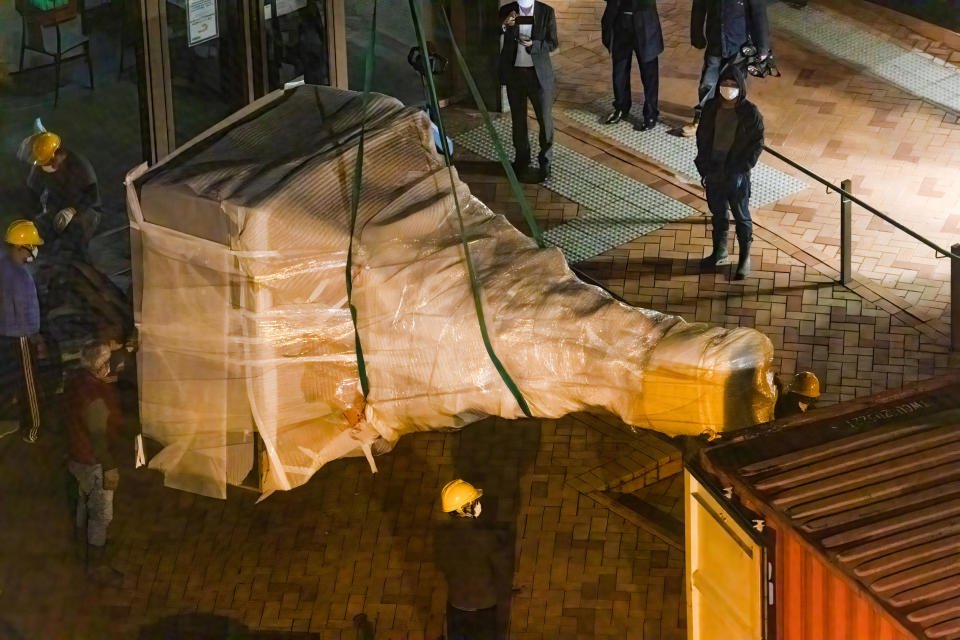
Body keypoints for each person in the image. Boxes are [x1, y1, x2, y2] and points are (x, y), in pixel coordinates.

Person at [65, 340, 125, 587]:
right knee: (101, 514)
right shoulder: (96, 400)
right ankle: (97, 565)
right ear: (100, 366)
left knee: (81, 505)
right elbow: (99, 437)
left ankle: (81, 549)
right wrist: (110, 468)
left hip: (75, 457)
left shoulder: (75, 381)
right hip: (93, 462)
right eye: (107, 362)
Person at [694, 66, 763, 280]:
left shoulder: (750, 113)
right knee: (718, 213)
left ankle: (744, 258)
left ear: (740, 88)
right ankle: (720, 251)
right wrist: (703, 165)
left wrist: (743, 168)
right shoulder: (711, 108)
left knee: (741, 215)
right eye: (725, 84)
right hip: (714, 167)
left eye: (733, 85)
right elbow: (702, 137)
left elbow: (756, 144)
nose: (728, 88)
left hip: (736, 172)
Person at [434, 479, 512, 640]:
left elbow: (442, 565)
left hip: (456, 603)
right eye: (476, 501)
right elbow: (502, 570)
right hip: (484, 607)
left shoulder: (442, 537)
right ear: (466, 509)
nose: (479, 504)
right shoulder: (488, 537)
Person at [682, 0, 769, 137]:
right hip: (715, 44)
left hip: (738, 47)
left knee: (735, 88)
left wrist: (762, 46)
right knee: (707, 84)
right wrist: (696, 34)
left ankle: (733, 122)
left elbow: (758, 13)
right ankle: (703, 120)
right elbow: (699, 7)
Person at [498, 0, 559, 182]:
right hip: (515, 74)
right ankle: (522, 159)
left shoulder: (546, 12)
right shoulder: (507, 10)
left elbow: (553, 42)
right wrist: (503, 25)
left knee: (544, 120)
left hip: (538, 76)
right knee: (518, 120)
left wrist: (534, 44)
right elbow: (491, 32)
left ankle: (545, 163)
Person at [0, 220, 45, 443]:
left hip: (5, 335)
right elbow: (26, 312)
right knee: (29, 384)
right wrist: (35, 336)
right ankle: (33, 429)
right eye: (31, 246)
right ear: (20, 247)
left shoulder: (3, 264)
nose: (34, 250)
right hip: (20, 337)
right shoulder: (21, 278)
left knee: (9, 380)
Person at [21, 127, 101, 247]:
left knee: (80, 228)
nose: (47, 166)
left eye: (49, 162)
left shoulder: (79, 165)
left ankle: (81, 248)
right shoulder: (41, 165)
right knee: (43, 227)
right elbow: (33, 193)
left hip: (84, 209)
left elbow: (92, 195)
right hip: (57, 207)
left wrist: (73, 210)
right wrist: (29, 220)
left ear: (58, 154)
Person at [600, 0, 664, 131]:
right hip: (619, 21)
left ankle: (651, 114)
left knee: (649, 74)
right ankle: (621, 107)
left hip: (645, 24)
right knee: (619, 71)